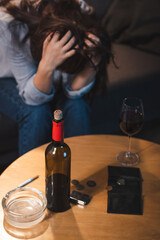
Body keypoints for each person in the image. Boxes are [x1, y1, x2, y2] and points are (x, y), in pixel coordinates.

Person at [0, 0, 112, 156]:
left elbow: (72, 91)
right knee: (37, 112)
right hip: (7, 78)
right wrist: (47, 64)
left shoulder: (76, 8)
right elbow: (33, 98)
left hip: (51, 75)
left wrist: (92, 62)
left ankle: (78, 173)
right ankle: (32, 177)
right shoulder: (8, 24)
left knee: (77, 105)